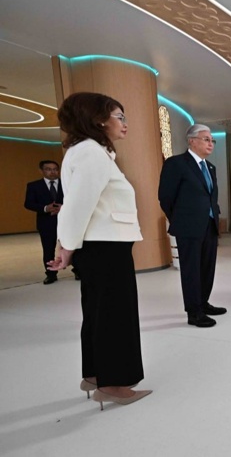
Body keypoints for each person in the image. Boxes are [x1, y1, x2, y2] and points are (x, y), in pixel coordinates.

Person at [47, 92, 151, 408]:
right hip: (106, 247)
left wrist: (67, 245)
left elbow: (75, 205)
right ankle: (114, 384)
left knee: (98, 312)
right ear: (98, 119)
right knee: (115, 316)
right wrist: (66, 247)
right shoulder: (91, 153)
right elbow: (77, 206)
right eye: (119, 116)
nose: (125, 123)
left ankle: (95, 374)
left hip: (100, 246)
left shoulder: (86, 152)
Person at [158, 124, 226, 328]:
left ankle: (203, 303)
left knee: (207, 268)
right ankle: (194, 312)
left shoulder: (210, 167)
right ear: (192, 141)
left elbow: (210, 197)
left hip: (209, 225)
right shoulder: (176, 163)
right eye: (206, 139)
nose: (210, 143)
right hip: (188, 227)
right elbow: (165, 197)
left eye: (212, 140)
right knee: (191, 270)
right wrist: (180, 219)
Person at [24, 160, 64, 284]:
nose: (52, 172)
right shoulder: (34, 186)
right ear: (41, 171)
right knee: (48, 249)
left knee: (72, 247)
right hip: (46, 222)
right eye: (48, 169)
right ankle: (51, 274)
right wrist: (46, 208)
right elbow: (28, 203)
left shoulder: (66, 183)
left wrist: (63, 208)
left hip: (65, 221)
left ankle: (77, 271)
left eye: (55, 169)